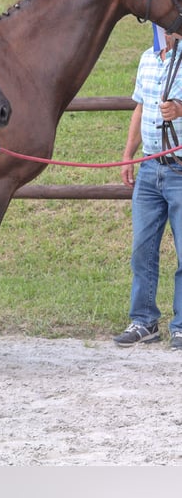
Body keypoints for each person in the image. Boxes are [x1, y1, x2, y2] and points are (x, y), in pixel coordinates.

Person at [114, 27, 182, 350]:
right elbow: (140, 107)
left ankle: (181, 325)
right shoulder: (147, 59)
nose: (166, 29)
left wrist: (180, 110)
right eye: (161, 24)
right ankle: (144, 321)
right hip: (149, 168)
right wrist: (128, 154)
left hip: (180, 170)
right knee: (142, 249)